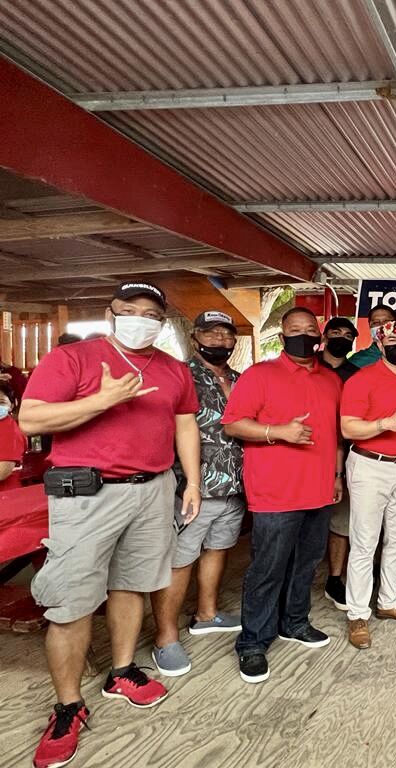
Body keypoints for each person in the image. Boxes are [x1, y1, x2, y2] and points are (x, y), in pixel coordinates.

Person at [20, 281, 201, 768]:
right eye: (129, 310)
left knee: (132, 586)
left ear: (161, 322)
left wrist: (192, 482)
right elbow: (31, 420)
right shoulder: (73, 360)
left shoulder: (172, 369)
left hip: (154, 488)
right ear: (111, 313)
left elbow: (185, 423)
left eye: (150, 313)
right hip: (87, 495)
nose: (140, 318)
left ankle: (122, 672)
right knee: (72, 601)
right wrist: (100, 400)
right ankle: (68, 707)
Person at [221, 307, 344, 684]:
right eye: (295, 329)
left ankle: (294, 622)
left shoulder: (331, 380)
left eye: (310, 329)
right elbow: (233, 425)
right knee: (267, 568)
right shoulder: (260, 375)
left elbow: (336, 435)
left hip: (319, 489)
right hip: (275, 491)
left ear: (320, 335)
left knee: (305, 563)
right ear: (282, 335)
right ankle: (254, 641)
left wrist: (337, 475)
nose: (303, 335)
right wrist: (278, 432)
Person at [150, 311, 245, 677]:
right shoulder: (179, 375)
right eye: (211, 333)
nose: (219, 340)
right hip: (192, 487)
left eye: (226, 334)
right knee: (180, 560)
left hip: (234, 485)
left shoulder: (239, 379)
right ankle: (165, 637)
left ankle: (206, 614)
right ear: (195, 337)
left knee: (218, 550)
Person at [341, 319, 396, 650]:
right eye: (391, 339)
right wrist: (383, 424)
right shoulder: (362, 379)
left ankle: (389, 601)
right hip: (368, 464)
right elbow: (348, 428)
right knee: (364, 543)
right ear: (379, 344)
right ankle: (357, 613)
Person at [318, 316, 361, 610]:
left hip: (343, 456)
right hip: (303, 454)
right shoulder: (307, 366)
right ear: (325, 335)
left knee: (341, 522)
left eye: (348, 334)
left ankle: (335, 578)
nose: (341, 337)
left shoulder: (356, 374)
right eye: (336, 332)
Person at [0, 386, 25, 487]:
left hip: (5, 496)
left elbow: (2, 471)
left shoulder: (9, 429)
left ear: (12, 405)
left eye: (1, 402)